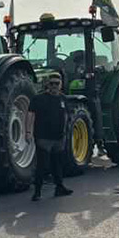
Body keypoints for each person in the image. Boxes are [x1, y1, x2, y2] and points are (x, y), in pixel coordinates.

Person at [27, 73, 74, 201]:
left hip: (59, 137)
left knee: (58, 164)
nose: (54, 86)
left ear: (61, 85)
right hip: (43, 138)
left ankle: (59, 187)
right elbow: (31, 115)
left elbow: (67, 116)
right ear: (47, 84)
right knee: (43, 165)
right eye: (52, 83)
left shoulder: (63, 99)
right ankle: (37, 191)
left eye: (56, 83)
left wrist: (66, 134)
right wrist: (28, 132)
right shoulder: (39, 99)